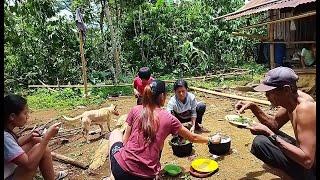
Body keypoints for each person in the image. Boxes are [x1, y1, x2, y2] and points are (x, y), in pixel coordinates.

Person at [108, 80, 221, 179]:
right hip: (146, 176)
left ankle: (113, 176)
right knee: (159, 143)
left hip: (120, 170)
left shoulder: (135, 109)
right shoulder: (169, 118)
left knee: (115, 133)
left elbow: (125, 141)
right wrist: (211, 139)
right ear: (162, 96)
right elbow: (193, 137)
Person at [234, 67, 316, 180]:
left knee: (262, 143)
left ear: (286, 90)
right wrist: (253, 107)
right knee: (261, 141)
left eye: (269, 92)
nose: (266, 96)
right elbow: (274, 125)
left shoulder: (305, 108)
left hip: (311, 167)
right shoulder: (291, 100)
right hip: (307, 159)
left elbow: (307, 161)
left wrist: (269, 134)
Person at [4, 94, 66, 180]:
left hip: (9, 170)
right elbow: (29, 165)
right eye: (25, 113)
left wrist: (30, 136)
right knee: (40, 146)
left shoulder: (6, 131)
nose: (27, 116)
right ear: (12, 116)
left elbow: (14, 144)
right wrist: (47, 137)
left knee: (36, 140)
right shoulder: (5, 138)